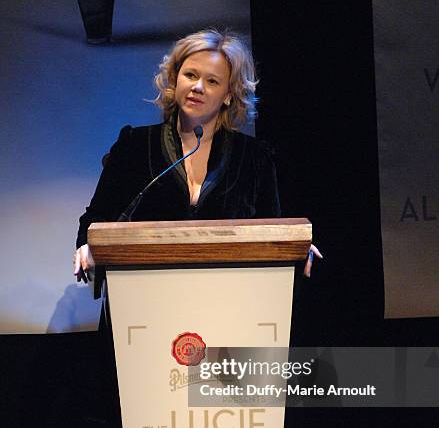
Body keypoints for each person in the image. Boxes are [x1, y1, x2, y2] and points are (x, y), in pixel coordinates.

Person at [73, 29, 321, 282]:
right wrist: (85, 246)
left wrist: (293, 247)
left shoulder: (254, 157)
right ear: (175, 79)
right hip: (142, 295)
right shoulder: (134, 146)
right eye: (190, 75)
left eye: (212, 81)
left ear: (228, 95)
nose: (198, 87)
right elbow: (96, 217)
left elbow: (271, 231)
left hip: (230, 301)